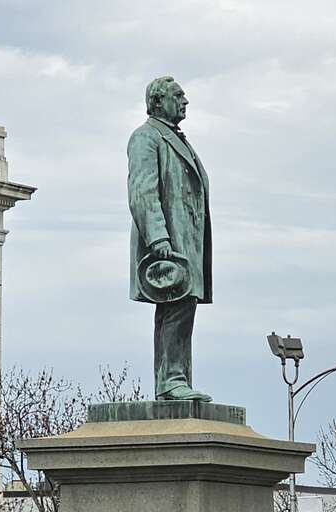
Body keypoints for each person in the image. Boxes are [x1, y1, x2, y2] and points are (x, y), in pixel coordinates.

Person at [127, 76, 212, 401]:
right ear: (159, 101)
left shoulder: (175, 138)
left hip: (186, 239)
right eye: (179, 95)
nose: (185, 101)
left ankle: (177, 379)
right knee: (175, 306)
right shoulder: (146, 138)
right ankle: (170, 381)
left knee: (183, 306)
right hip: (169, 242)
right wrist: (158, 237)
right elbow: (142, 191)